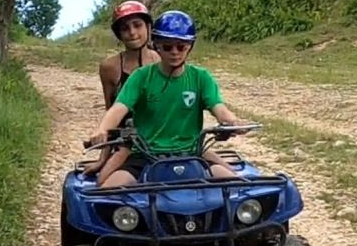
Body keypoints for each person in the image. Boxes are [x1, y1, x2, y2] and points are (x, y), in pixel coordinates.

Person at [85, 10, 247, 189]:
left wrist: (231, 122)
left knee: (240, 188)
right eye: (168, 47)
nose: (175, 52)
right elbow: (118, 108)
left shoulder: (201, 77)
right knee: (106, 192)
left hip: (191, 153)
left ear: (190, 46)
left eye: (181, 46)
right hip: (145, 155)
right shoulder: (141, 77)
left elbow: (220, 109)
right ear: (157, 46)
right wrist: (102, 129)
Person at [83, 0, 159, 180]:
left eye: (137, 25)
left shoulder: (163, 60)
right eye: (125, 28)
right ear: (119, 34)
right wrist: (103, 157)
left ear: (148, 27)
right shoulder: (110, 67)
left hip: (163, 140)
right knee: (104, 184)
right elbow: (111, 111)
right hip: (127, 145)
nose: (132, 32)